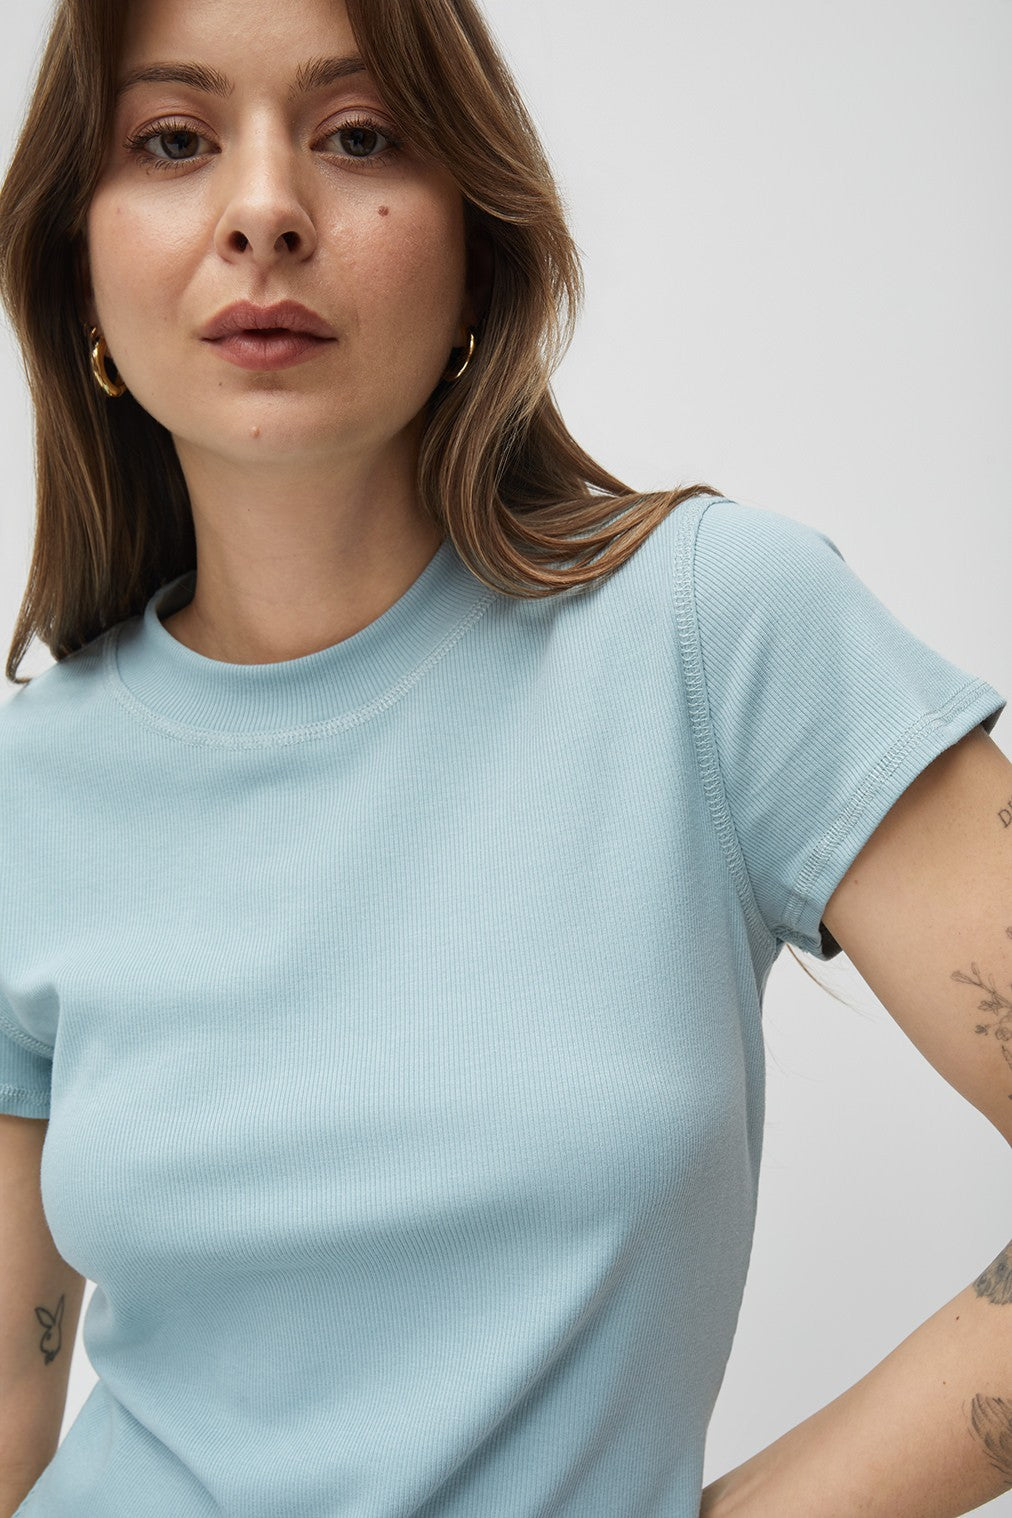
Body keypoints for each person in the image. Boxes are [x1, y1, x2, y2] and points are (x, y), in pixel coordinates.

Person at [0, 0, 1008, 1513]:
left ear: (479, 243)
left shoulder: (715, 632)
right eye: (173, 140)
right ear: (75, 260)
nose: (264, 211)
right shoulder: (28, 790)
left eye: (358, 136)